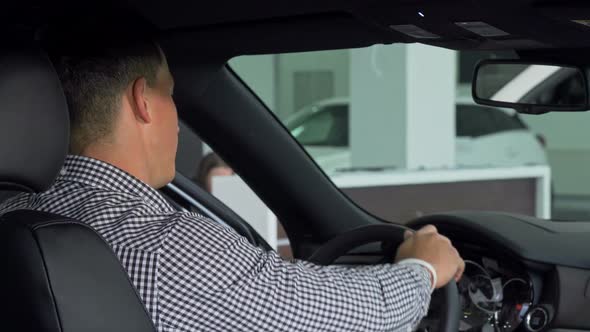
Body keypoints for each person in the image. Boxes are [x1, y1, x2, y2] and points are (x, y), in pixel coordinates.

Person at [0, 34, 465, 331]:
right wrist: (423, 270)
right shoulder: (164, 245)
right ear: (143, 101)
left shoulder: (14, 216)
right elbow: (348, 313)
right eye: (172, 96)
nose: (178, 122)